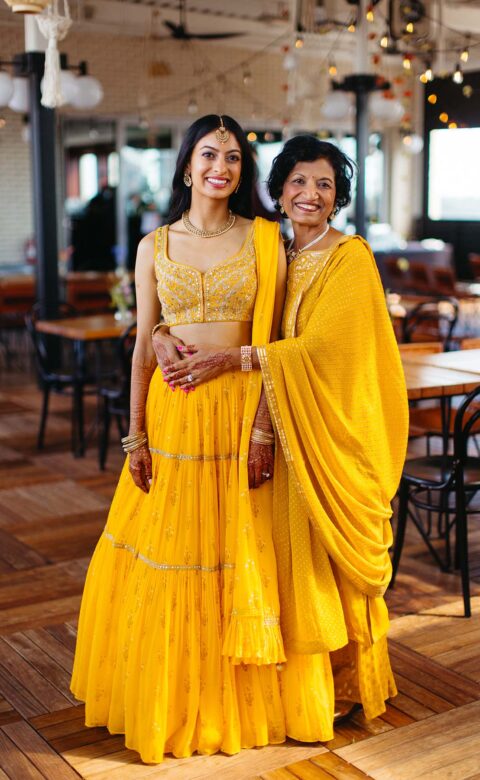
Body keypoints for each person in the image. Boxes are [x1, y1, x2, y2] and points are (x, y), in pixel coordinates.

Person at [157, 135, 409, 739]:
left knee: (322, 564)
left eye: (325, 185)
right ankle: (296, 691)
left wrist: (233, 360)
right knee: (284, 567)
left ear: (338, 197)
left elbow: (329, 351)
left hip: (325, 431)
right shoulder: (271, 248)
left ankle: (343, 686)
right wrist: (165, 329)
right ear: (277, 190)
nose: (311, 195)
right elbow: (227, 297)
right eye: (298, 182)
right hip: (271, 423)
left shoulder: (350, 257)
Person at [70, 114, 287, 763]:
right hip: (175, 417)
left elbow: (275, 342)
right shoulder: (154, 244)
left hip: (240, 409)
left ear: (241, 171)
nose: (220, 166)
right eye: (208, 154)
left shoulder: (266, 240)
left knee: (235, 550)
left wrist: (264, 428)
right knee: (174, 552)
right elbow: (143, 346)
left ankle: (232, 703)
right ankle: (171, 696)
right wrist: (135, 436)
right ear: (187, 165)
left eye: (232, 157)